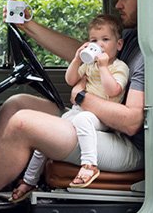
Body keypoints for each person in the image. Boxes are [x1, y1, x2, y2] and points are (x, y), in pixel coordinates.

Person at [0, 0, 144, 213]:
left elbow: (131, 122)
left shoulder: (146, 53)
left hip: (124, 145)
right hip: (99, 125)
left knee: (23, 124)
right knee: (17, 104)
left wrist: (81, 96)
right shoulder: (132, 38)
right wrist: (28, 25)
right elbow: (80, 51)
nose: (118, 5)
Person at [12, 13, 130, 199]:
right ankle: (29, 181)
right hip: (80, 111)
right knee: (47, 133)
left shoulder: (119, 67)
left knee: (83, 120)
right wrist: (77, 59)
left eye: (105, 40)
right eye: (94, 40)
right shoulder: (90, 65)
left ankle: (89, 165)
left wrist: (103, 68)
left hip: (103, 117)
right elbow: (70, 79)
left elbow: (113, 90)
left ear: (119, 44)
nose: (99, 45)